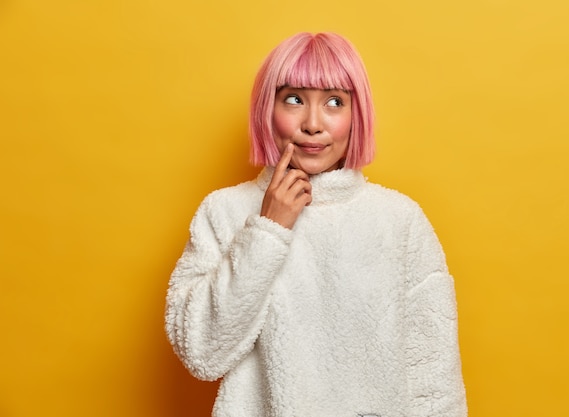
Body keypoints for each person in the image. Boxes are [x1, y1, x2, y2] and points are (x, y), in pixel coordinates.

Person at [165, 32, 467, 417]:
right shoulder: (224, 211)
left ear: (356, 116)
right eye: (294, 99)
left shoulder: (399, 220)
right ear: (266, 108)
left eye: (335, 102)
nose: (312, 123)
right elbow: (202, 353)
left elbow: (434, 377)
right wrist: (266, 230)